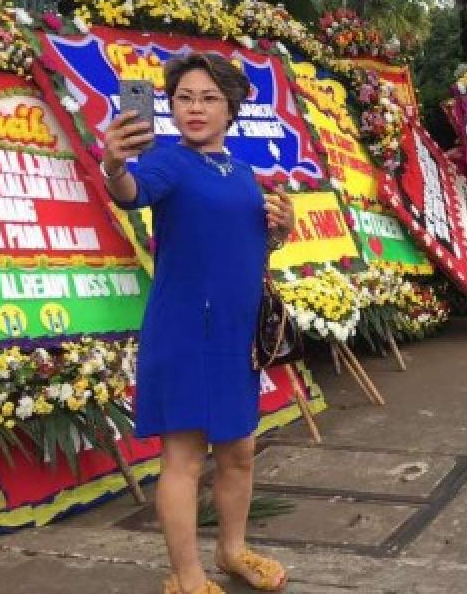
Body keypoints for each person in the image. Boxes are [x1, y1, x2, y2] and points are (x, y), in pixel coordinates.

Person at [101, 53, 296, 594]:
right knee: (183, 458)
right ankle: (186, 575)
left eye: (209, 98)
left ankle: (232, 551)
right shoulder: (168, 163)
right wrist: (115, 165)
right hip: (185, 331)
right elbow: (132, 192)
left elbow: (244, 246)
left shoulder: (241, 173)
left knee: (239, 451)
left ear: (230, 108)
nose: (195, 108)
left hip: (235, 335)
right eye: (184, 98)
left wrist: (282, 227)